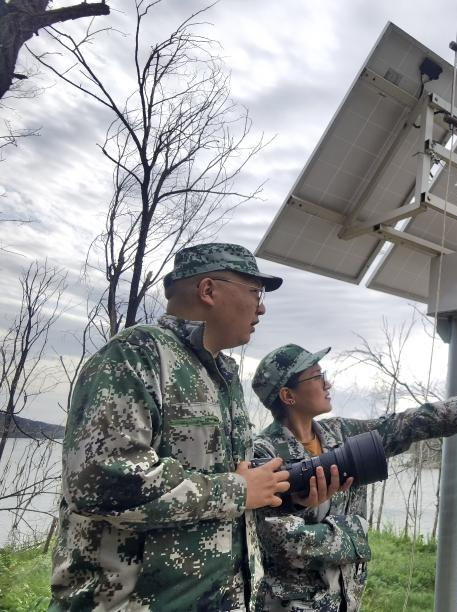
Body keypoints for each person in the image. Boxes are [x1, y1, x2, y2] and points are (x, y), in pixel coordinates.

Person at [50, 243, 333, 611]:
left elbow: (229, 494)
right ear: (209, 290)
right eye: (255, 292)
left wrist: (283, 497)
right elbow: (101, 482)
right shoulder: (137, 354)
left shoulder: (223, 376)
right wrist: (237, 490)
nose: (261, 306)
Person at [250, 344, 457, 612]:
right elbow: (280, 540)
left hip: (346, 601)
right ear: (288, 395)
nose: (327, 383)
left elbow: (400, 426)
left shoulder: (342, 432)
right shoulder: (265, 453)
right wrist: (355, 535)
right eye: (317, 376)